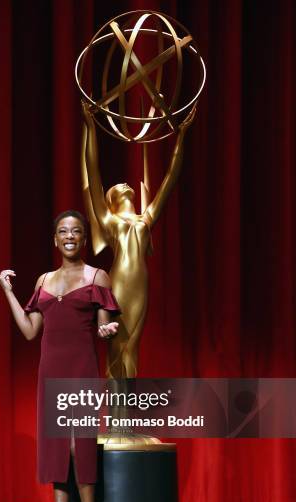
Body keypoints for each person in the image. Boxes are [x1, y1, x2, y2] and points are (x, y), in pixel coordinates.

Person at [0, 210, 120, 502]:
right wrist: (8, 292)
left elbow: (102, 327)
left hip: (81, 372)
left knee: (76, 448)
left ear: (84, 238)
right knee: (56, 452)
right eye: (63, 231)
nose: (70, 236)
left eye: (77, 231)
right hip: (50, 372)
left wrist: (107, 331)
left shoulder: (98, 276)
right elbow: (30, 331)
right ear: (56, 239)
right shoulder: (44, 280)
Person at [82, 102, 196, 378]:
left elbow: (170, 179)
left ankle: (126, 419)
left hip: (141, 287)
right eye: (117, 186)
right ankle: (115, 421)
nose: (124, 183)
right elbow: (93, 170)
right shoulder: (109, 221)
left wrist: (181, 135)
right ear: (109, 201)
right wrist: (90, 128)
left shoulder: (146, 219)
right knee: (116, 347)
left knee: (133, 349)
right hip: (119, 282)